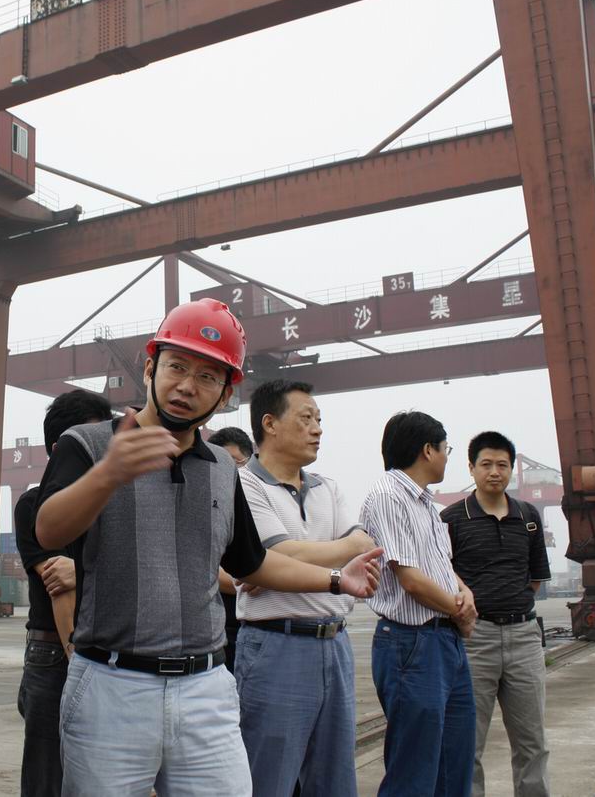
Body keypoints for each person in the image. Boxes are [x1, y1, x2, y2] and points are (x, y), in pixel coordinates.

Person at [35, 298, 383, 796]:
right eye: (177, 367)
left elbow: (252, 563)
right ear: (150, 367)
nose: (187, 386)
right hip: (111, 686)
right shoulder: (87, 444)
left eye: (207, 377)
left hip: (206, 688)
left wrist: (335, 580)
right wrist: (108, 474)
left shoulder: (222, 468)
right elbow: (48, 531)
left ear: (224, 395)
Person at [236, 380, 374, 797]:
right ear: (270, 424)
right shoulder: (244, 485)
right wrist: (275, 561)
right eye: (306, 418)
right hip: (275, 647)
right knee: (268, 780)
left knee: (335, 781)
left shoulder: (327, 487)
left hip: (335, 645)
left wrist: (276, 564)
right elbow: (275, 554)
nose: (318, 429)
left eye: (319, 419)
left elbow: (363, 544)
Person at [362, 411, 478, 797]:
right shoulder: (388, 496)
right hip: (411, 644)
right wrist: (460, 611)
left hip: (445, 642)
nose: (447, 457)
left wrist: (465, 592)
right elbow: (410, 578)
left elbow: (441, 567)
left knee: (454, 764)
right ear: (428, 450)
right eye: (446, 449)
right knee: (414, 772)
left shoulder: (427, 504)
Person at [15, 390, 113, 797]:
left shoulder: (115, 504)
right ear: (61, 449)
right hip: (57, 652)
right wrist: (78, 659)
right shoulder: (33, 506)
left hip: (108, 650)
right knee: (47, 777)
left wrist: (82, 571)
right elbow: (59, 586)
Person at [441, 432, 551, 797]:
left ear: (512, 469)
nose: (494, 472)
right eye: (486, 464)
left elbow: (535, 579)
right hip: (475, 640)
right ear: (471, 468)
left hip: (524, 639)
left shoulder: (529, 517)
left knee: (533, 742)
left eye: (502, 465)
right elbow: (442, 575)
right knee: (467, 744)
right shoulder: (451, 519)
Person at [208, 426, 254, 671]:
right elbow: (207, 570)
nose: (228, 471)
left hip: (255, 623)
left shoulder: (259, 499)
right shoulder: (208, 503)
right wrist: (263, 579)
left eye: (235, 462)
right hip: (224, 626)